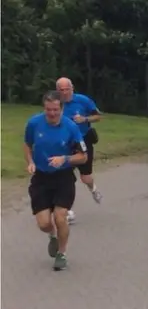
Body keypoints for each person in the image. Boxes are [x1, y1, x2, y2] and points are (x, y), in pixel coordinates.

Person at [24, 91, 88, 271]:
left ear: (62, 108)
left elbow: (83, 157)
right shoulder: (34, 123)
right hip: (41, 178)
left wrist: (65, 159)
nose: (52, 114)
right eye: (48, 110)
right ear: (44, 108)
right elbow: (27, 144)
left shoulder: (71, 127)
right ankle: (52, 236)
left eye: (55, 110)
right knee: (44, 223)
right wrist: (30, 162)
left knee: (60, 217)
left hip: (63, 178)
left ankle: (62, 253)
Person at [56, 77, 103, 224]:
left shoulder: (83, 100)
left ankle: (94, 189)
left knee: (85, 177)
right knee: (65, 178)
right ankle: (68, 211)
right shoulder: (55, 103)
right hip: (65, 144)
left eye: (67, 89)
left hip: (83, 141)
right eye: (61, 90)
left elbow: (98, 116)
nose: (64, 93)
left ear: (72, 88)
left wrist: (84, 119)